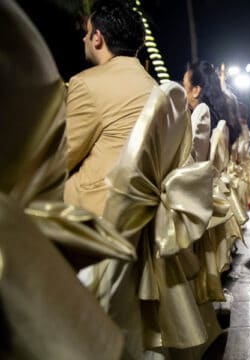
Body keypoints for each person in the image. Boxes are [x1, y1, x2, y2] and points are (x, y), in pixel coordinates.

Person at [63, 0, 157, 216]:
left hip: (96, 208)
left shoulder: (86, 83)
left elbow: (62, 158)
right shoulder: (154, 87)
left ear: (98, 38)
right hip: (141, 210)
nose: (84, 38)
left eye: (87, 32)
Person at [183, 60, 242, 149]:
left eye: (184, 87)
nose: (183, 92)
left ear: (196, 90)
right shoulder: (220, 120)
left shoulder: (198, 124)